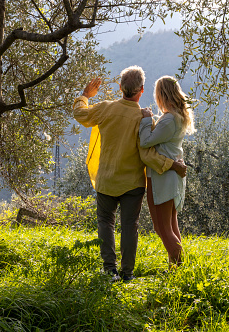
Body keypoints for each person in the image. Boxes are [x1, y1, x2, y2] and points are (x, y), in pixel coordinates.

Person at [72, 66, 187, 282]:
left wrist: (85, 96)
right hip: (133, 184)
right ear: (141, 90)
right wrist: (171, 164)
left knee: (105, 222)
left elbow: (80, 114)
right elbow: (148, 155)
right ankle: (127, 273)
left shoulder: (106, 108)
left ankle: (109, 270)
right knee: (129, 226)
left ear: (120, 88)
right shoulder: (144, 118)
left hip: (106, 179)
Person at [139, 76, 195, 268]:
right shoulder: (177, 117)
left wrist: (147, 120)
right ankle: (176, 267)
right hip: (169, 174)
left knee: (163, 227)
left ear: (161, 95)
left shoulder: (170, 118)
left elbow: (146, 141)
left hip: (163, 175)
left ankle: (179, 267)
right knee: (169, 225)